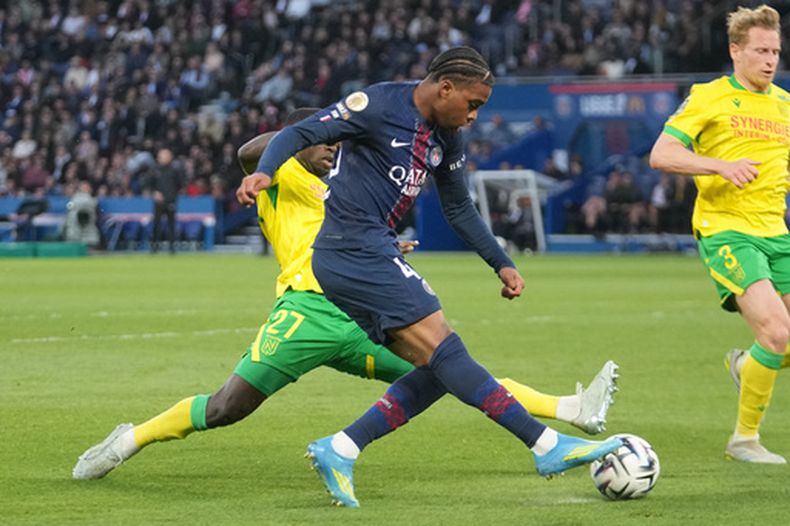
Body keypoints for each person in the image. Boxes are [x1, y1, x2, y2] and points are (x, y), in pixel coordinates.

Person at [73, 108, 619, 481]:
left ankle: (571, 410)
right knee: (226, 407)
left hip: (359, 311)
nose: (332, 152)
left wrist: (385, 249)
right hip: (304, 312)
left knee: (450, 369)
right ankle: (130, 440)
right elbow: (247, 153)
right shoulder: (282, 176)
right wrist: (306, 133)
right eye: (325, 145)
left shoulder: (343, 187)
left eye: (336, 146)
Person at [238, 47, 623, 508]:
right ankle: (546, 445)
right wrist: (263, 173)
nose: (474, 116)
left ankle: (340, 448)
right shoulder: (378, 105)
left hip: (367, 250)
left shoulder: (447, 137)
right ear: (445, 88)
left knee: (437, 371)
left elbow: (458, 206)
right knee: (448, 350)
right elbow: (301, 130)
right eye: (472, 104)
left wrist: (500, 261)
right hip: (350, 248)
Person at [649, 5, 789, 464]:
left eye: (776, 51)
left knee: (779, 344)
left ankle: (746, 366)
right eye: (761, 51)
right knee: (776, 332)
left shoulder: (784, 105)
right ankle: (744, 440)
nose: (770, 60)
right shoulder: (708, 97)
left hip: (777, 232)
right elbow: (662, 154)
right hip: (728, 230)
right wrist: (720, 165)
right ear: (736, 51)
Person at [148, 148, 182, 254]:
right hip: (158, 202)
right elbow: (148, 184)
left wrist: (173, 195)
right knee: (156, 224)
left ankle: (172, 248)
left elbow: (179, 185)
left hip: (171, 200)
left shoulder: (174, 170)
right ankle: (154, 247)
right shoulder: (154, 170)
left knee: (171, 224)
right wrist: (154, 193)